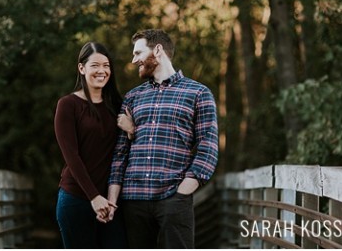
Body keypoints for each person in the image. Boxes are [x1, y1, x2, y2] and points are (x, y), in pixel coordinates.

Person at [108, 29, 218, 249]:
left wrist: (184, 189)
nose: (133, 60)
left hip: (173, 197)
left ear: (157, 50)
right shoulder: (132, 97)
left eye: (138, 52)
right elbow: (120, 154)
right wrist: (113, 199)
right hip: (134, 200)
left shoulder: (198, 93)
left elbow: (208, 146)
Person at [53, 42, 128, 248]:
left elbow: (124, 152)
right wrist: (94, 197)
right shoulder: (68, 105)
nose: (101, 71)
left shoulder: (118, 106)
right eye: (95, 65)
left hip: (111, 203)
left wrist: (131, 130)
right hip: (76, 199)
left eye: (106, 65)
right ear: (81, 68)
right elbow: (71, 156)